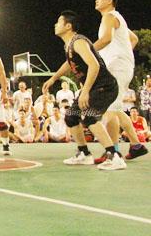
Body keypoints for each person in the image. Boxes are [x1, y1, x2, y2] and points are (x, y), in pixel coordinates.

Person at [42, 10, 125, 170]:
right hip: (94, 87)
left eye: (59, 22)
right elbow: (69, 64)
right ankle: (84, 154)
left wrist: (85, 91)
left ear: (68, 26)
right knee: (71, 117)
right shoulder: (69, 45)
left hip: (105, 86)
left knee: (90, 117)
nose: (55, 24)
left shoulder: (78, 41)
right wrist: (53, 78)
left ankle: (114, 156)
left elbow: (94, 65)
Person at [93, 0, 147, 162]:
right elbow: (134, 39)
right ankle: (135, 146)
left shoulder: (110, 16)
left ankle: (112, 151)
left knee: (108, 109)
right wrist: (124, 54)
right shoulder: (116, 18)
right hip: (120, 66)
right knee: (115, 108)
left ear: (109, 1)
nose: (96, 0)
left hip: (118, 67)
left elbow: (106, 39)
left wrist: (86, 50)